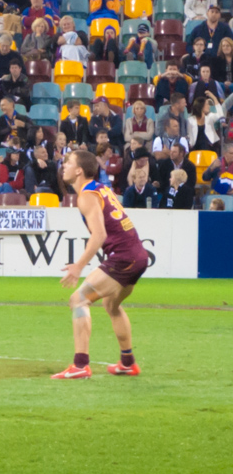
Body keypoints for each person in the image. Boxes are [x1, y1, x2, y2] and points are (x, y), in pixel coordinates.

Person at [51, 150, 149, 380]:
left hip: (123, 257)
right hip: (137, 256)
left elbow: (99, 236)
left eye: (68, 162)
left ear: (79, 170)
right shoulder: (101, 188)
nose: (63, 166)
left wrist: (78, 266)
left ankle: (80, 365)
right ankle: (127, 363)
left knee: (78, 300)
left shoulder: (86, 195)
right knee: (111, 306)